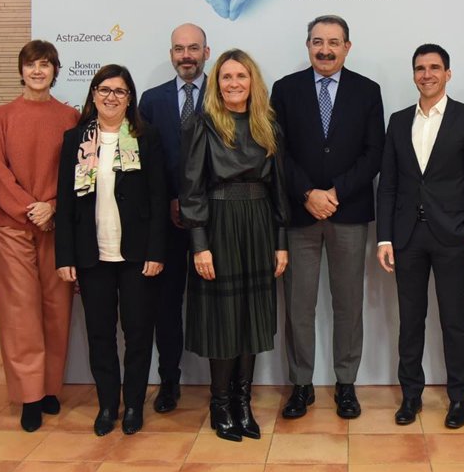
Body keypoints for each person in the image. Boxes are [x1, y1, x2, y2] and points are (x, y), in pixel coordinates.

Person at [270, 15, 384, 420]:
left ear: (347, 47)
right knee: (298, 306)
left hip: (348, 212)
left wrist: (335, 192)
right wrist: (307, 193)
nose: (325, 49)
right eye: (318, 41)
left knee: (348, 303)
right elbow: (277, 150)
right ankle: (301, 385)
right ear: (308, 45)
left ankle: (346, 384)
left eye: (334, 42)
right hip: (299, 214)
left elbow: (374, 152)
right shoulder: (285, 89)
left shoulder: (368, 90)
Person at [377, 44, 464, 429]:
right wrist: (384, 238)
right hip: (407, 237)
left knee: (454, 320)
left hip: (451, 237)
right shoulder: (398, 121)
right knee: (410, 321)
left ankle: (458, 397)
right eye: (420, 68)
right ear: (413, 74)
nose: (427, 74)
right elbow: (388, 185)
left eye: (434, 67)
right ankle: (411, 395)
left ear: (448, 73)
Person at [180, 48, 289, 442]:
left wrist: (280, 241)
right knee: (224, 320)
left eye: (241, 76)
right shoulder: (201, 124)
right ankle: (220, 404)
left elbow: (278, 189)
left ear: (252, 81)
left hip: (259, 226)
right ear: (216, 83)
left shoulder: (268, 125)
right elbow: (191, 188)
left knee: (251, 318)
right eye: (226, 77)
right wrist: (199, 244)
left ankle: (243, 404)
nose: (233, 83)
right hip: (219, 226)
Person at [55, 65, 167, 437]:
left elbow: (159, 198)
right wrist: (65, 257)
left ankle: (133, 404)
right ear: (93, 94)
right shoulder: (75, 140)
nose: (111, 97)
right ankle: (107, 405)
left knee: (138, 333)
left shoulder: (146, 138)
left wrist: (156, 251)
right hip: (92, 255)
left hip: (137, 256)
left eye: (120, 91)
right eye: (104, 90)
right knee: (100, 334)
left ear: (129, 98)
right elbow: (66, 203)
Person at [0, 40, 78, 432]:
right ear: (20, 70)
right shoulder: (1, 116)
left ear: (55, 70)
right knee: (20, 311)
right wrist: (29, 208)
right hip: (11, 225)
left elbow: (77, 173)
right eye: (30, 65)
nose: (37, 71)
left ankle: (50, 387)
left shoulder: (71, 117)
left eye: (45, 65)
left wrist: (52, 206)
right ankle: (29, 395)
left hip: (55, 223)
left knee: (57, 308)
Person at [137, 22, 209, 414]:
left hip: (213, 221)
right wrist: (170, 200)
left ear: (206, 53)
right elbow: (145, 162)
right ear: (171, 54)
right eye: (180, 49)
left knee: (216, 302)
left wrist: (197, 203)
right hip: (166, 221)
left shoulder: (226, 92)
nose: (186, 55)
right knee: (166, 306)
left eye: (193, 48)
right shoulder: (151, 100)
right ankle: (169, 382)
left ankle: (224, 383)